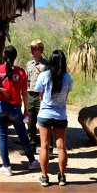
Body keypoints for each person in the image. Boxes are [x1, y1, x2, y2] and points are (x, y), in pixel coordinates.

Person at [0, 45, 40, 176]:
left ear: (4, 56)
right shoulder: (21, 72)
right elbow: (25, 93)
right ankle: (32, 162)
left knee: (2, 136)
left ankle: (6, 167)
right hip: (15, 107)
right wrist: (26, 110)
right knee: (23, 135)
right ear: (15, 57)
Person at [34, 50, 73, 186]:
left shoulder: (43, 75)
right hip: (60, 115)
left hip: (45, 114)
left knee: (44, 146)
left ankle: (44, 177)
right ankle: (62, 177)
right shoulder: (67, 78)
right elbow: (66, 96)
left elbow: (40, 96)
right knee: (61, 147)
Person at [25, 39, 48, 154]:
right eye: (31, 48)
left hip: (42, 95)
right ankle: (31, 147)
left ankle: (48, 148)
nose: (32, 50)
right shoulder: (29, 64)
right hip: (30, 95)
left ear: (40, 50)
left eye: (34, 48)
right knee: (30, 122)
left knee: (45, 122)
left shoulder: (46, 64)